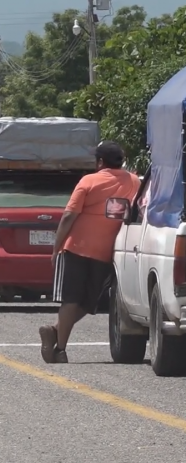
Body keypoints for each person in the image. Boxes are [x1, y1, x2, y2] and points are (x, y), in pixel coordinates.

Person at [39, 141, 141, 364]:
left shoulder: (89, 180)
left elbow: (68, 216)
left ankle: (55, 332)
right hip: (105, 253)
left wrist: (56, 248)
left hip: (76, 249)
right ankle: (60, 349)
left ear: (100, 162)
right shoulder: (134, 182)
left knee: (79, 302)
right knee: (84, 302)